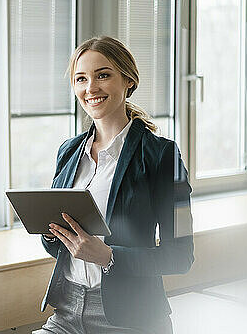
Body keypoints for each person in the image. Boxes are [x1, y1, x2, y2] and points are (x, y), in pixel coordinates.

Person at [33, 36, 194, 334]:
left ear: (128, 81)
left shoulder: (162, 156)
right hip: (67, 313)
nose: (90, 88)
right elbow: (58, 248)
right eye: (81, 78)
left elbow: (181, 256)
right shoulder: (68, 152)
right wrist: (53, 235)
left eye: (102, 75)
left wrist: (109, 257)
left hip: (131, 320)